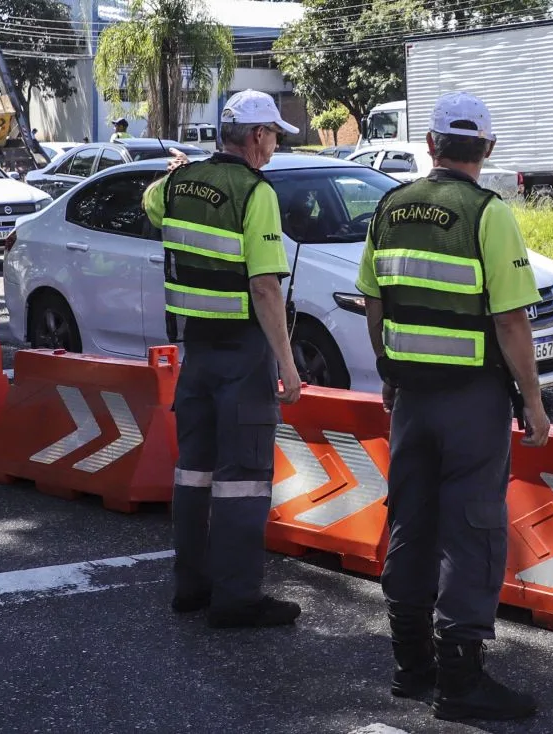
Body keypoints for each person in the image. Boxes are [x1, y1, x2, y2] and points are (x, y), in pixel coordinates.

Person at [355, 91, 551, 722]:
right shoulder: (488, 214)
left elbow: (375, 299)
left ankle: (412, 667)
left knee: (411, 520)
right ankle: (461, 681)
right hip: (472, 400)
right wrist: (534, 399)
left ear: (433, 145)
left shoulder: (388, 205)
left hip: (411, 397)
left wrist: (389, 370)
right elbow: (512, 318)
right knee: (472, 530)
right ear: (487, 148)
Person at [142, 89, 304, 629]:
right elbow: (264, 287)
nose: (276, 144)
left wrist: (177, 172)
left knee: (194, 474)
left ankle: (191, 587)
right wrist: (287, 362)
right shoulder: (255, 192)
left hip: (198, 353)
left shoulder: (178, 184)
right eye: (274, 134)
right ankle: (236, 599)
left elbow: (150, 202)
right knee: (243, 479)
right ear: (256, 137)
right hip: (242, 355)